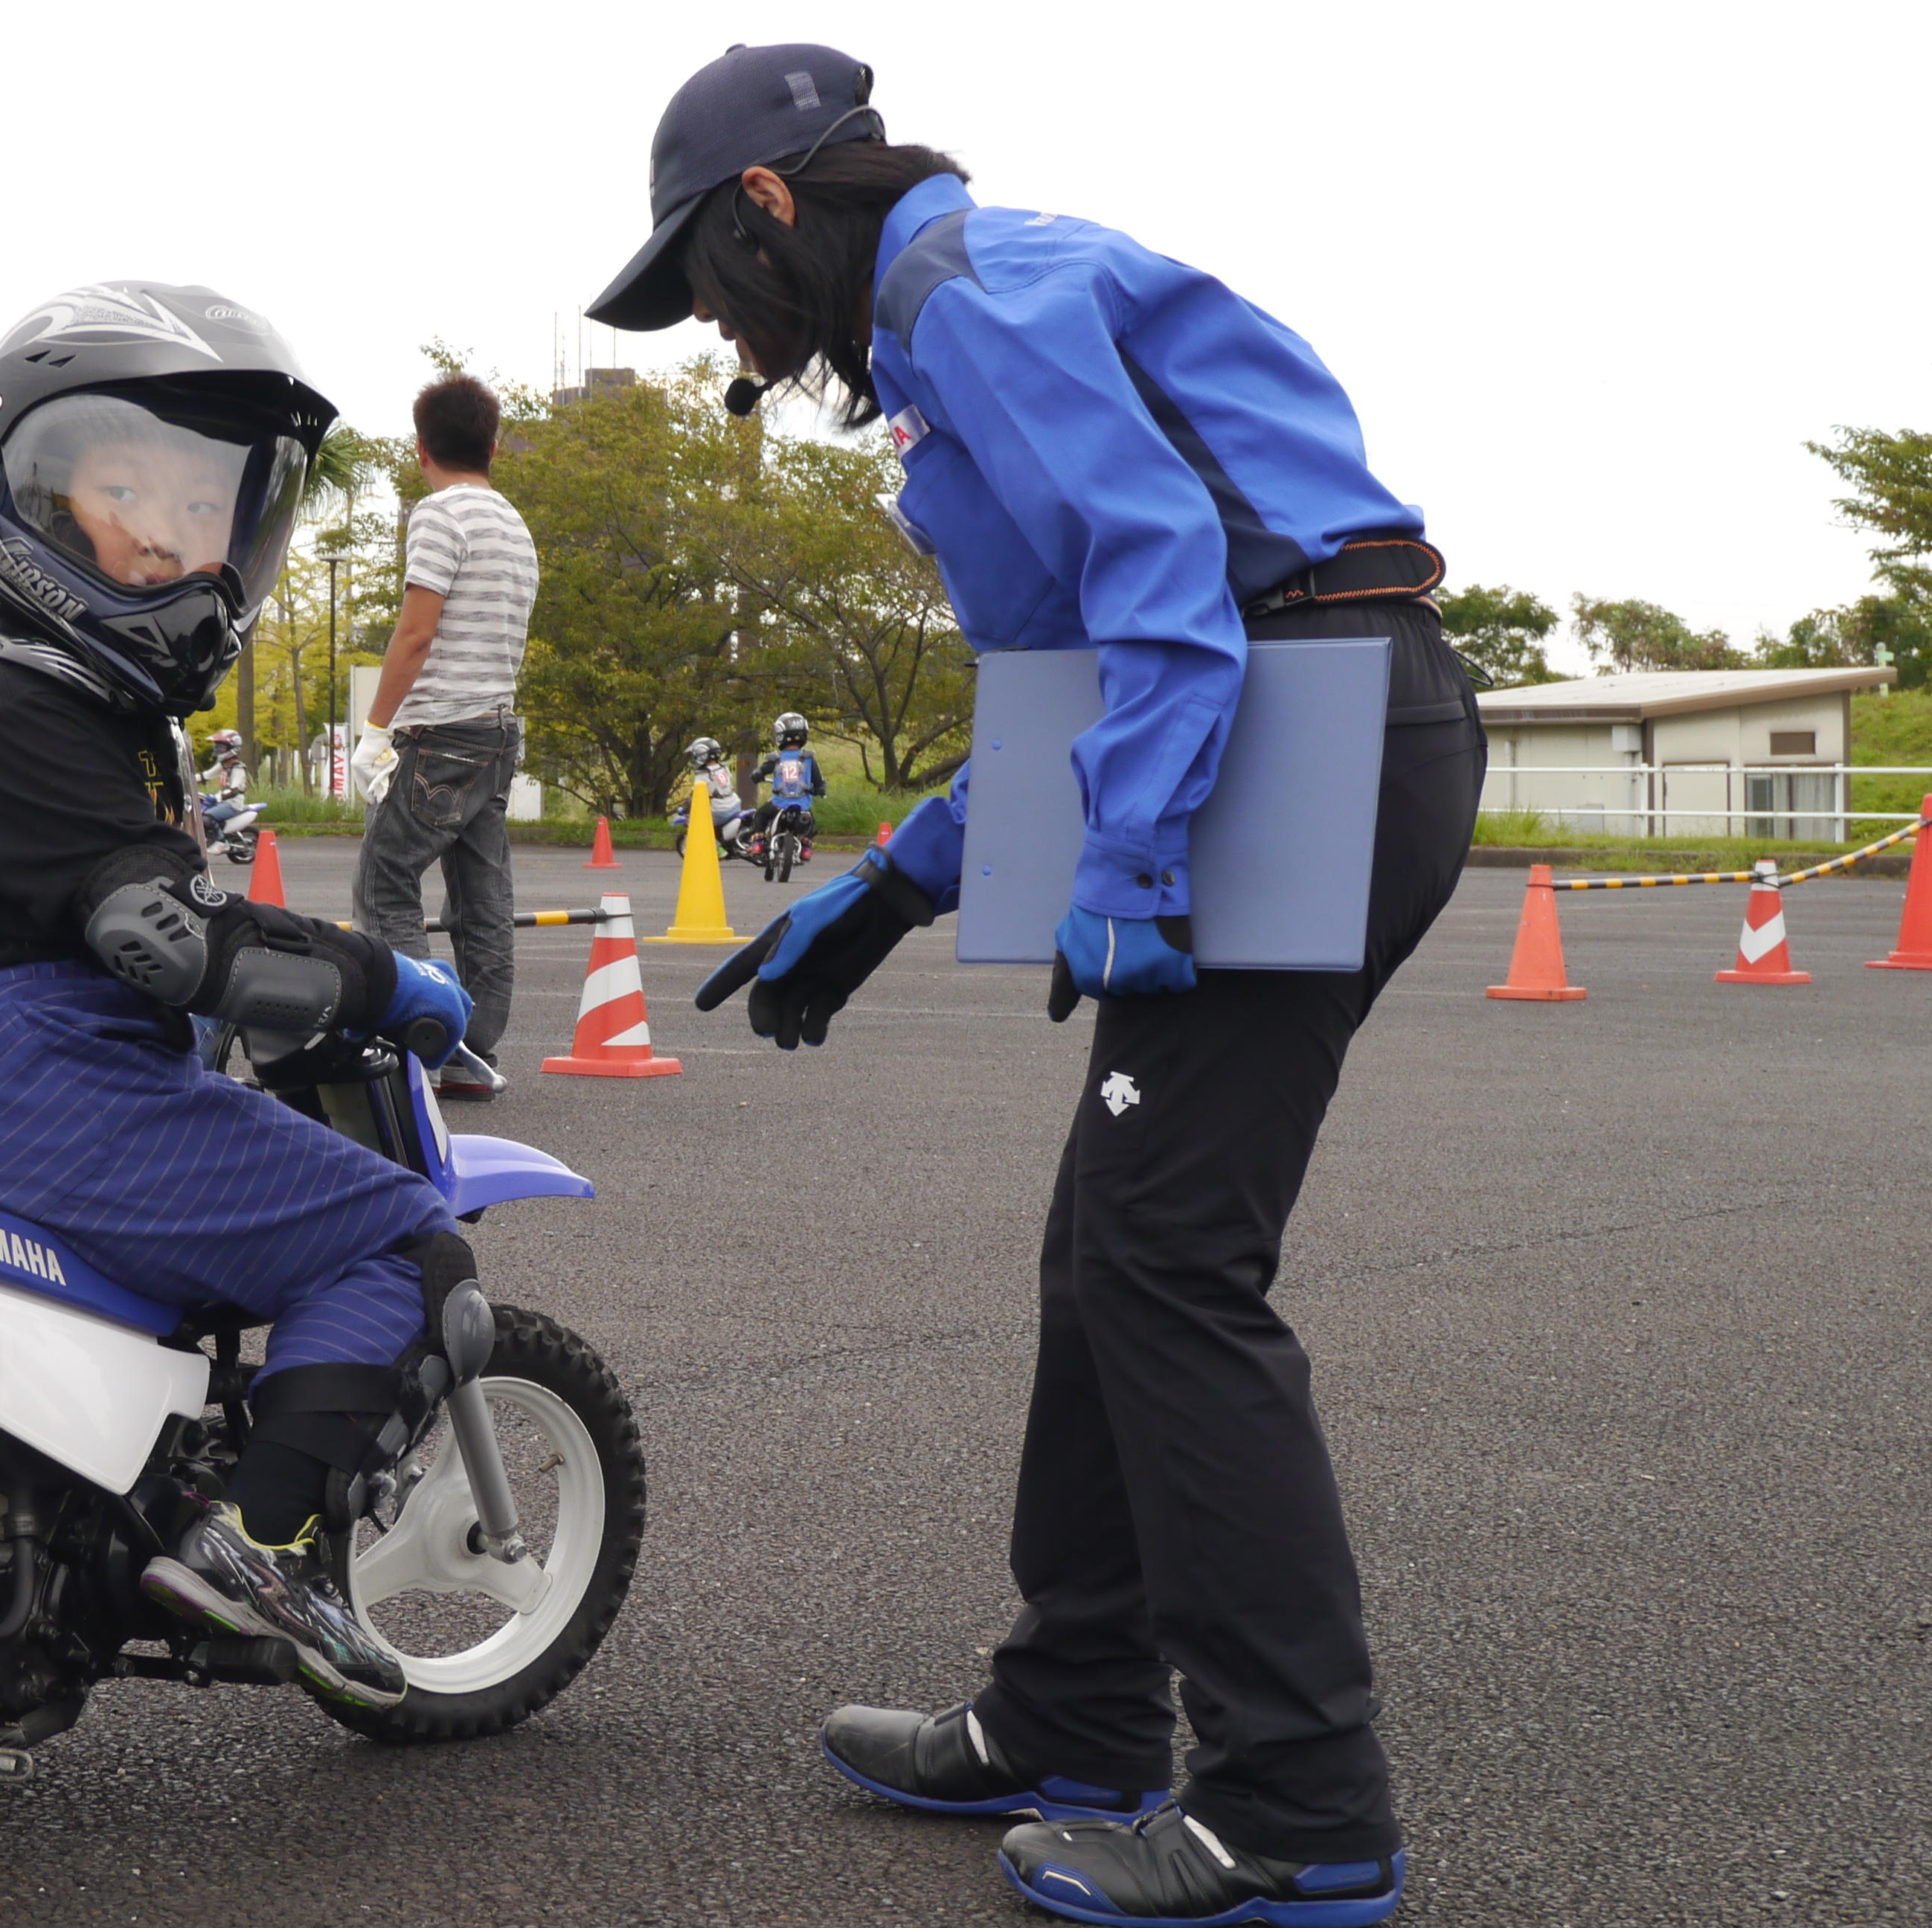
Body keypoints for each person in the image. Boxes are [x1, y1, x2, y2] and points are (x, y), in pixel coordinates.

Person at [593, 44, 1480, 1927]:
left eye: (706, 284)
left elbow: (1170, 580)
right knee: (1112, 1254)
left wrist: (1140, 850)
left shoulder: (954, 284)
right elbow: (1091, 656)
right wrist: (898, 881)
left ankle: (1299, 1809)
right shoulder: (938, 333)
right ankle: (1074, 1709)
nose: (721, 341)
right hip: (1291, 707)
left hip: (1308, 720)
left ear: (769, 202)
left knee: (1169, 1261)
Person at [0, 281, 476, 1711]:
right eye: (120, 492)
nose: (169, 539)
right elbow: (170, 944)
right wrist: (388, 977)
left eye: (203, 509)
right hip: (48, 1088)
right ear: (32, 495)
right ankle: (262, 1544)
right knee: (401, 1247)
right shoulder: (45, 705)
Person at [351, 375, 540, 1104]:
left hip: (443, 733)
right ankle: (474, 1044)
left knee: (385, 876)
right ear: (494, 447)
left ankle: (422, 1034)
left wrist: (375, 730)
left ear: (421, 447)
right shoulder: (514, 525)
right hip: (497, 730)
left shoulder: (438, 515)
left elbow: (418, 631)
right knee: (481, 890)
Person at [748, 712, 826, 849]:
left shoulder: (776, 758)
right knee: (811, 823)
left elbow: (759, 772)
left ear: (780, 735)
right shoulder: (808, 758)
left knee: (760, 815)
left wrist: (757, 775)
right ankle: (806, 844)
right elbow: (818, 781)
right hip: (802, 805)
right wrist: (820, 789)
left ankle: (758, 841)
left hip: (779, 804)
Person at [666, 736, 744, 842]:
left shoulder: (702, 776)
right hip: (735, 805)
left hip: (720, 811)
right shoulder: (724, 768)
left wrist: (683, 808)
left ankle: (717, 846)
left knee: (699, 822)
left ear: (702, 755)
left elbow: (695, 797)